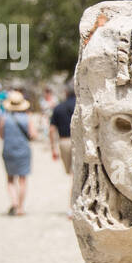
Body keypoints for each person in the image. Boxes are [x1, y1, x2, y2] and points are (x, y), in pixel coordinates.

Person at [0, 88, 32, 216]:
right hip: (23, 150)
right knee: (22, 179)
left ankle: (14, 202)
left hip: (8, 149)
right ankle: (20, 207)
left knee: (10, 179)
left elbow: (1, 135)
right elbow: (32, 134)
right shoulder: (26, 118)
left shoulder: (4, 118)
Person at [49, 84, 76, 216]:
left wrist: (53, 148)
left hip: (64, 142)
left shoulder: (58, 108)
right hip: (79, 142)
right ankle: (74, 205)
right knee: (75, 175)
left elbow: (51, 129)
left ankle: (72, 205)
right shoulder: (81, 106)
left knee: (72, 174)